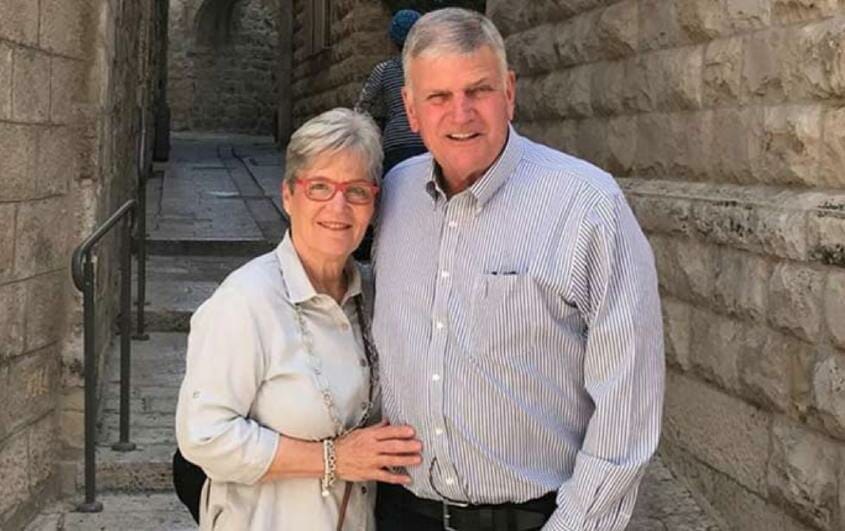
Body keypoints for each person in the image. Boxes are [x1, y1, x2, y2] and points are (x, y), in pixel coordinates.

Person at [372, 8, 665, 531]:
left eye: (478, 90)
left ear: (509, 92)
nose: (460, 114)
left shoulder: (587, 205)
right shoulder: (394, 196)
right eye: (438, 97)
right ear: (411, 111)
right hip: (402, 514)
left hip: (534, 518)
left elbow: (628, 406)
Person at [175, 108, 422, 531]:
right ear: (289, 195)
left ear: (373, 204)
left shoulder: (376, 293)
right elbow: (204, 435)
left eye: (357, 191)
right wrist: (335, 459)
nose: (338, 206)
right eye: (320, 187)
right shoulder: (246, 301)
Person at [355, 9, 427, 174]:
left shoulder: (384, 70)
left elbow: (361, 107)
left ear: (393, 40)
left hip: (395, 143)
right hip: (428, 141)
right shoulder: (433, 69)